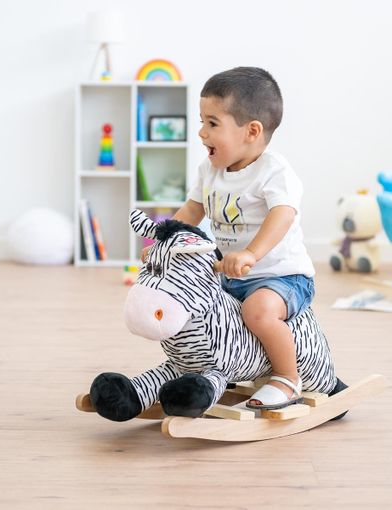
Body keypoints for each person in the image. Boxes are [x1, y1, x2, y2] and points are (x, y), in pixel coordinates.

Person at [142, 67, 315, 410]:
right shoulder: (210, 171)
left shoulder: (274, 171)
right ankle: (210, 370)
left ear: (251, 131)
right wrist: (164, 247)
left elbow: (283, 215)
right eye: (201, 121)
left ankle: (287, 379)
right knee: (197, 307)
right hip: (229, 273)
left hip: (281, 277)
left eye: (212, 123)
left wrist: (251, 252)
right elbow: (191, 212)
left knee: (257, 312)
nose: (201, 132)